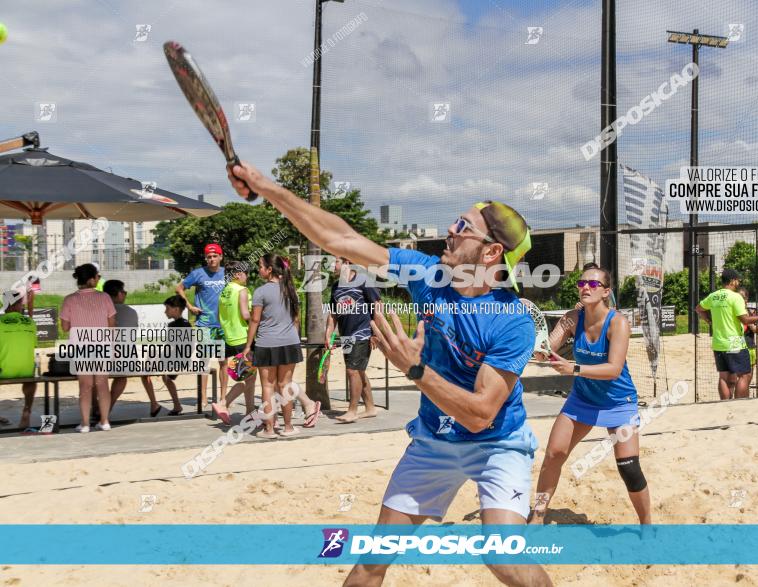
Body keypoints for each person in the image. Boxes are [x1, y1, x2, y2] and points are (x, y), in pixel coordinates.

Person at [228, 159, 551, 587]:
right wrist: (266, 187)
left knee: (505, 559)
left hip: (497, 444)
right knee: (370, 562)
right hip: (435, 440)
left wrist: (414, 369)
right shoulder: (428, 274)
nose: (450, 230)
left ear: (492, 252)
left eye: (463, 225)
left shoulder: (512, 321)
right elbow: (341, 239)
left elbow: (479, 414)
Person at [528, 265, 651, 525]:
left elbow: (613, 369)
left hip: (619, 402)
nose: (586, 287)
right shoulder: (571, 319)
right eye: (582, 283)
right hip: (582, 399)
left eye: (593, 284)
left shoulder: (618, 322)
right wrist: (541, 350)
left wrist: (573, 368)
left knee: (629, 467)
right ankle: (538, 514)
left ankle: (647, 524)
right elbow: (545, 350)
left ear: (606, 292)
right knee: (553, 456)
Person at [243, 253, 319, 439]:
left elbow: (255, 320)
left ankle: (269, 429)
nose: (259, 269)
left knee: (267, 387)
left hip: (266, 343)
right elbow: (295, 320)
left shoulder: (260, 292)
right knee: (285, 385)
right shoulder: (290, 290)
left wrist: (247, 346)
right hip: (289, 343)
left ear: (270, 270)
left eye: (261, 266)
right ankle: (287, 427)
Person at [103, 280, 182, 417]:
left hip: (101, 357)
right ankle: (157, 404)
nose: (125, 295)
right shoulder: (130, 312)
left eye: (167, 309)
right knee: (130, 375)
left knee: (145, 372)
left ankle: (99, 408)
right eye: (124, 292)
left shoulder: (99, 311)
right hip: (125, 359)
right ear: (118, 294)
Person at [695, 269, 758, 400]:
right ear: (732, 281)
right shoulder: (736, 297)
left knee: (723, 376)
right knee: (744, 375)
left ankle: (725, 404)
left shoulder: (714, 295)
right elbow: (745, 320)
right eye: (738, 280)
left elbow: (698, 309)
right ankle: (739, 403)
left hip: (718, 342)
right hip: (734, 341)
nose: (738, 282)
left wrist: (709, 321)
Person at [60, 263, 116, 432]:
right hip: (102, 345)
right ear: (92, 279)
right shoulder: (105, 297)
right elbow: (112, 324)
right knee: (102, 385)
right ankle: (105, 421)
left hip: (81, 347)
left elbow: (64, 327)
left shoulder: (69, 299)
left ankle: (85, 424)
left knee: (85, 386)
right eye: (97, 276)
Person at [325, 257, 381, 423]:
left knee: (352, 371)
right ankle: (370, 408)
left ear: (346, 263)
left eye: (335, 261)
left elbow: (377, 305)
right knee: (358, 371)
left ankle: (352, 411)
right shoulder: (336, 287)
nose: (332, 265)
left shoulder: (363, 280)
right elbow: (333, 314)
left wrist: (376, 333)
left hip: (362, 332)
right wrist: (328, 334)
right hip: (346, 336)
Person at [176, 243, 227, 408]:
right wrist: (189, 306)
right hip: (204, 324)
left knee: (223, 361)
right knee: (204, 361)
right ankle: (204, 397)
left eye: (214, 256)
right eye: (209, 257)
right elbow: (179, 288)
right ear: (206, 258)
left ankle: (223, 397)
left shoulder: (227, 273)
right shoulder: (198, 273)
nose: (211, 259)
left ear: (220, 256)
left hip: (221, 325)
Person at [212, 261, 256, 424]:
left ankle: (250, 410)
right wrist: (259, 319)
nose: (247, 277)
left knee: (246, 376)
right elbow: (246, 315)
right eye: (246, 274)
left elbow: (218, 316)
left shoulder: (223, 291)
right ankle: (225, 403)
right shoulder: (242, 290)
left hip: (228, 338)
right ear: (238, 275)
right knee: (248, 378)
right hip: (243, 338)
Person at [0, 293, 37, 429]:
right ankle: (26, 410)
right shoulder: (31, 322)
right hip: (26, 370)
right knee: (31, 377)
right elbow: (33, 345)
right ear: (16, 305)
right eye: (21, 303)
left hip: (3, 371)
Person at [160, 295, 189, 410]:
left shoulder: (176, 325)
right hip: (179, 358)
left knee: (163, 375)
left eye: (167, 309)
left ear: (176, 309)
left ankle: (177, 405)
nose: (165, 312)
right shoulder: (185, 324)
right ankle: (176, 405)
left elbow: (173, 346)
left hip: (179, 360)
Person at [738, 287, 758, 374]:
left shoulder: (752, 312)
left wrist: (750, 324)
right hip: (734, 347)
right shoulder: (731, 312)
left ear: (746, 299)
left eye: (742, 297)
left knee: (748, 376)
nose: (739, 300)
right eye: (737, 297)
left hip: (749, 346)